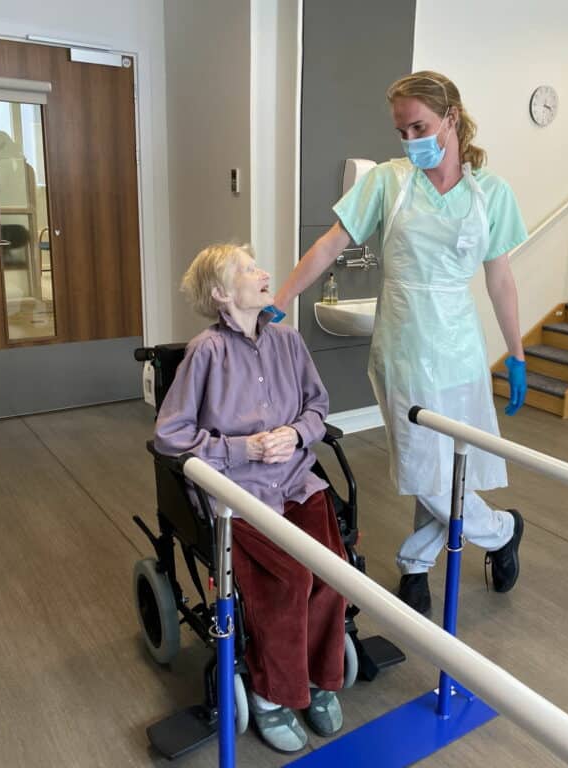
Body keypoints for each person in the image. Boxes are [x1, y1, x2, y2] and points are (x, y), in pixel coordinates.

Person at [273, 71, 528, 616]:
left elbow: (500, 280)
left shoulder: (492, 193)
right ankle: (502, 529)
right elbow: (330, 243)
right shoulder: (388, 181)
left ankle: (415, 566)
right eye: (402, 130)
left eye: (421, 126)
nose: (411, 140)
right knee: (422, 466)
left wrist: (518, 353)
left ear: (452, 119)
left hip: (460, 348)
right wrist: (284, 297)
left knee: (447, 465)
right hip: (403, 347)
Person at [154, 243, 346, 753]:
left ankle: (320, 678)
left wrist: (299, 435)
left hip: (297, 482)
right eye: (248, 269)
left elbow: (318, 405)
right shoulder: (205, 353)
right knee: (292, 578)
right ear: (221, 293)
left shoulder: (288, 341)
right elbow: (169, 435)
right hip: (238, 497)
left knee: (333, 571)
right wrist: (244, 448)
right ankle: (271, 693)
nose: (264, 273)